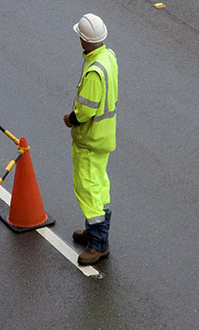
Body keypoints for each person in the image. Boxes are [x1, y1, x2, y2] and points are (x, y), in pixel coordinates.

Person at [63, 14, 118, 265]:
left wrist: (71, 119)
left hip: (89, 139)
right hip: (104, 135)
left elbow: (86, 111)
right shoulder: (108, 57)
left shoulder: (94, 70)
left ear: (84, 39)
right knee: (99, 186)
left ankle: (98, 244)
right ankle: (94, 232)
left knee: (87, 190)